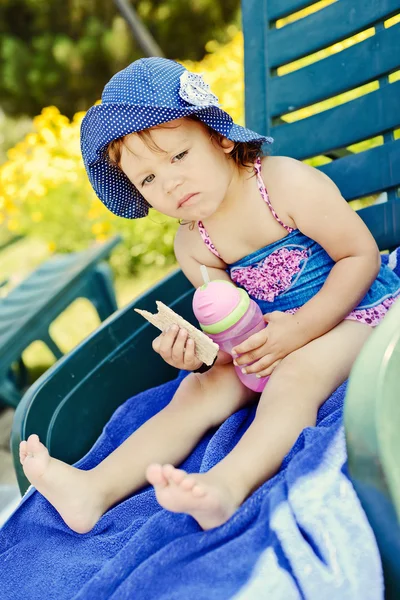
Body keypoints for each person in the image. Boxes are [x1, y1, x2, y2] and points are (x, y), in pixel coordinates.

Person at [19, 58, 400, 534]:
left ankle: (227, 485)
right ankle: (93, 489)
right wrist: (201, 354)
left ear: (220, 137)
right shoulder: (194, 242)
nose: (170, 182)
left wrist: (300, 330)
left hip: (361, 313)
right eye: (148, 180)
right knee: (200, 389)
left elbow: (360, 257)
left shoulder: (283, 185)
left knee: (298, 375)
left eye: (178, 156)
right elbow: (233, 321)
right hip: (273, 338)